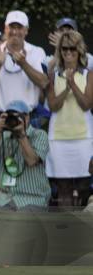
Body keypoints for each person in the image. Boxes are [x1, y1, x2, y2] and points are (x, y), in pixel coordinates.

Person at [0, 10, 48, 186]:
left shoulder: (36, 52)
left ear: (26, 30)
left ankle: (27, 203)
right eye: (12, 27)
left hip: (28, 118)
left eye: (20, 28)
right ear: (5, 28)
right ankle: (0, 205)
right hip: (0, 117)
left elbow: (44, 82)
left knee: (29, 166)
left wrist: (24, 64)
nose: (15, 32)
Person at [46, 30, 93, 206]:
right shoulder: (53, 76)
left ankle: (83, 231)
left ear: (79, 50)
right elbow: (53, 106)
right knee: (63, 188)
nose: (68, 52)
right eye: (64, 49)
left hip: (84, 138)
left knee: (83, 187)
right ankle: (64, 230)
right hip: (58, 139)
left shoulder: (89, 75)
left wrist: (72, 83)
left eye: (72, 49)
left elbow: (87, 104)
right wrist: (66, 87)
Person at [0, 100, 51, 210]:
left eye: (17, 117)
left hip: (32, 199)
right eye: (10, 117)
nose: (13, 120)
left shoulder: (39, 135)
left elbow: (32, 161)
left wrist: (22, 136)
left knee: (21, 223)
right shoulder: (4, 136)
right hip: (6, 199)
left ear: (27, 117)